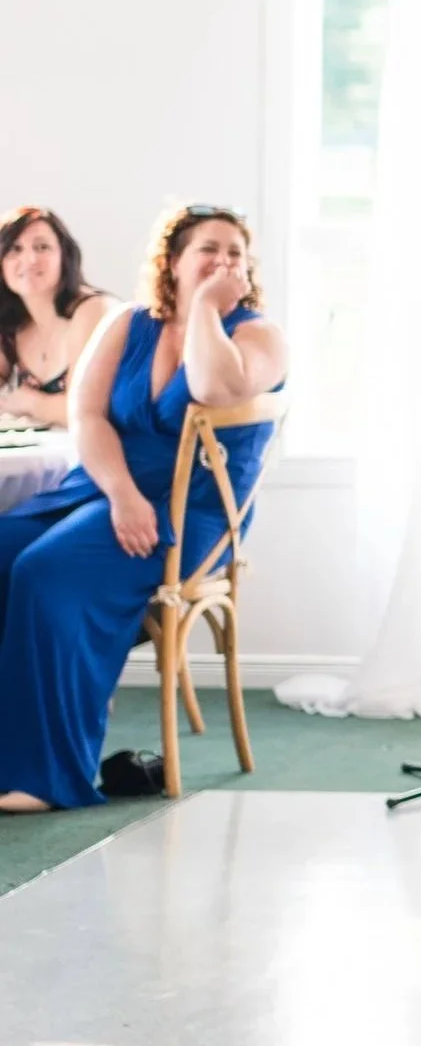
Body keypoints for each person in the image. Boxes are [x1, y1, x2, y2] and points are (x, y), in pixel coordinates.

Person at [0, 205, 285, 812]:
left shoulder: (258, 334)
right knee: (5, 550)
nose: (224, 262)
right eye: (208, 249)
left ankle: (49, 777)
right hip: (106, 489)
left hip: (191, 515)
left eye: (235, 252)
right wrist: (122, 495)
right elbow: (88, 416)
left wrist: (206, 308)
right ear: (173, 261)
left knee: (44, 572)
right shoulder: (129, 325)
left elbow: (211, 387)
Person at [0, 206, 110, 428]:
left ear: (64, 256)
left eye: (42, 247)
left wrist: (28, 401)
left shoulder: (91, 310)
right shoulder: (11, 323)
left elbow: (85, 410)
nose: (30, 259)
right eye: (15, 249)